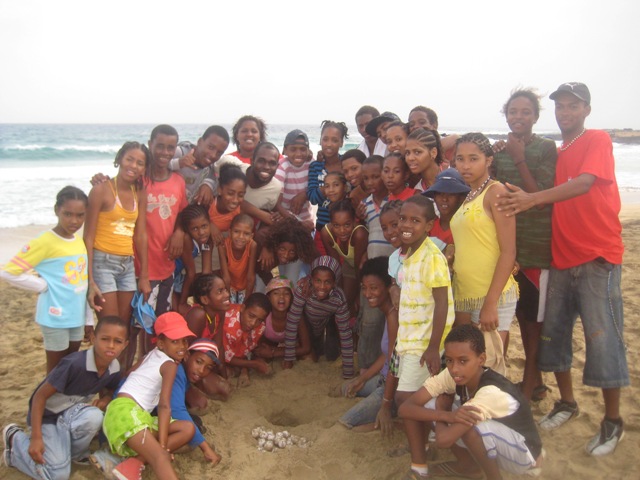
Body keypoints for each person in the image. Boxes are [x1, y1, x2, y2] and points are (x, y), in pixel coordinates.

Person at [496, 82, 628, 455]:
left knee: (603, 338)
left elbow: (584, 183)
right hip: (560, 257)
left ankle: (612, 421)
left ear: (587, 109)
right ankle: (567, 402)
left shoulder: (597, 139)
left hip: (597, 255)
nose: (566, 112)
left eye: (573, 106)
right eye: (561, 106)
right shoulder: (559, 150)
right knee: (554, 336)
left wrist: (532, 198)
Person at [398, 324, 543, 479]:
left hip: (524, 456)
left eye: (463, 361)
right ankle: (468, 466)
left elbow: (443, 440)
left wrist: (443, 411)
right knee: (432, 406)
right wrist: (445, 415)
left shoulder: (490, 392)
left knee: (470, 425)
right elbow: (405, 408)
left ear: (481, 359)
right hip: (500, 442)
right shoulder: (455, 374)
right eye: (449, 360)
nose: (454, 368)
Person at [2, 316, 128, 480]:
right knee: (58, 475)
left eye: (118, 341)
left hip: (70, 414)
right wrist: (36, 437)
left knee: (95, 416)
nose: (111, 345)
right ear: (93, 338)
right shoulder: (74, 364)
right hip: (47, 417)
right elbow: (39, 397)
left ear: (125, 345)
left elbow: (111, 388)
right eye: (105, 339)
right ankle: (15, 440)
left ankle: (75, 454)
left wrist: (106, 398)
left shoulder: (114, 367)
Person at [492, 88, 557, 401]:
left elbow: (539, 198)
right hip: (507, 251)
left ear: (536, 116)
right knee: (512, 318)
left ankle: (530, 388)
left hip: (534, 251)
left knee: (532, 325)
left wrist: (519, 158)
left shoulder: (546, 148)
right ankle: (537, 384)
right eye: (513, 111)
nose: (518, 117)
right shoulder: (500, 149)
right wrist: (498, 153)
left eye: (525, 112)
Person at [0, 186, 92, 373]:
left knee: (69, 365)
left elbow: (83, 284)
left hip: (76, 316)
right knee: (56, 370)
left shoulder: (78, 240)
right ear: (57, 210)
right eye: (68, 214)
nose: (74, 221)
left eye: (80, 215)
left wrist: (88, 319)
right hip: (54, 317)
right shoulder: (44, 241)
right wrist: (42, 285)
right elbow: (9, 272)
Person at [102, 312, 196, 480]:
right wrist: (162, 447)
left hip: (124, 412)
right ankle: (149, 456)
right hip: (127, 414)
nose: (182, 346)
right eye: (175, 341)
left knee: (187, 428)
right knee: (160, 457)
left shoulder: (151, 354)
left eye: (184, 341)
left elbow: (129, 373)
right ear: (160, 343)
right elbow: (164, 406)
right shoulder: (170, 365)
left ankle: (132, 465)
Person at [450, 133, 518, 347]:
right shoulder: (469, 195)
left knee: (487, 361)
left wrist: (490, 303)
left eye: (473, 159)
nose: (465, 165)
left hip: (491, 295)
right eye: (460, 159)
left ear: (488, 160)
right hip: (464, 294)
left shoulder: (496, 192)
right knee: (466, 360)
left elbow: (509, 251)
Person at [83, 141, 151, 334]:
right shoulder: (101, 190)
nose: (133, 166)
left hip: (127, 265)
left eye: (140, 163)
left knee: (122, 328)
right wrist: (90, 280)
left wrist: (144, 276)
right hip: (102, 263)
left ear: (144, 168)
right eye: (129, 159)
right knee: (109, 327)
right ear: (120, 159)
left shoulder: (140, 192)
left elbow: (141, 235)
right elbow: (88, 237)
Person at [395, 196, 454, 409]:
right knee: (411, 397)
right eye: (403, 218)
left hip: (424, 342)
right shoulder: (412, 252)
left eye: (415, 220)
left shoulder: (432, 257)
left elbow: (442, 303)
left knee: (404, 399)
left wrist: (433, 347)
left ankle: (439, 423)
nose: (406, 225)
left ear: (429, 225)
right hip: (410, 339)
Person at [338, 257, 399, 432]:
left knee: (345, 424)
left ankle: (398, 421)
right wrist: (362, 379)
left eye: (373, 288)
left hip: (391, 389)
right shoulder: (388, 313)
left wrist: (386, 404)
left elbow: (395, 365)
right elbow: (386, 355)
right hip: (382, 379)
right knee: (345, 388)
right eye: (364, 288)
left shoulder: (394, 317)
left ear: (388, 287)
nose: (367, 294)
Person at [283, 256, 354, 379]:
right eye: (318, 281)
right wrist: (288, 359)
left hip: (326, 323)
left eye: (327, 282)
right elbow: (292, 322)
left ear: (335, 282)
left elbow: (345, 333)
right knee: (311, 356)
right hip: (306, 324)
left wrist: (348, 372)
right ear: (311, 279)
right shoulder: (303, 290)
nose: (322, 286)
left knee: (331, 355)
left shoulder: (339, 298)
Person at [169, 338, 227, 466]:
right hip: (139, 413)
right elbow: (176, 411)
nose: (201, 370)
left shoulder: (181, 370)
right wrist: (206, 448)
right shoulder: (176, 371)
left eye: (208, 368)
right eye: (199, 362)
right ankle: (155, 449)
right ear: (187, 356)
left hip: (154, 409)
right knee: (190, 437)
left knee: (196, 423)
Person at [307, 121, 349, 254]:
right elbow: (312, 198)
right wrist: (329, 187)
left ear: (341, 143)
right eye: (325, 139)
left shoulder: (347, 164)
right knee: (323, 263)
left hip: (346, 228)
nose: (329, 144)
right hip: (323, 226)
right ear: (320, 140)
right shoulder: (315, 166)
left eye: (334, 140)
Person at [321, 199, 369, 317]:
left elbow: (359, 267)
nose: (342, 231)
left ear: (354, 221)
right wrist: (341, 294)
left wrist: (358, 295)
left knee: (358, 304)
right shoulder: (326, 233)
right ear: (331, 223)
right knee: (343, 303)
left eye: (347, 225)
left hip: (365, 269)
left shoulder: (359, 234)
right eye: (336, 225)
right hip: (348, 265)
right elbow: (336, 266)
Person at [254, 277, 311, 361]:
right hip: (270, 344)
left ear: (291, 298)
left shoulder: (296, 315)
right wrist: (266, 351)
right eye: (276, 293)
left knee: (309, 358)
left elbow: (306, 348)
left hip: (292, 346)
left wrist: (274, 352)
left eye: (286, 293)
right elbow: (256, 346)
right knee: (259, 359)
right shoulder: (264, 316)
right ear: (268, 297)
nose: (281, 297)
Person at [171, 125, 230, 205]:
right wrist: (178, 163)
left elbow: (215, 180)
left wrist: (208, 184)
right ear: (199, 142)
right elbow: (156, 164)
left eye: (219, 153)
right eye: (211, 147)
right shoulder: (178, 153)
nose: (213, 155)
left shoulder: (210, 168)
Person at [222, 292, 272, 387]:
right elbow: (225, 357)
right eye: (251, 316)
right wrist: (255, 364)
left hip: (233, 354)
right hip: (214, 352)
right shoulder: (229, 327)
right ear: (242, 308)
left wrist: (245, 369)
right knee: (227, 371)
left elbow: (244, 351)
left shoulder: (260, 326)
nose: (253, 323)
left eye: (259, 320)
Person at [172, 204, 213, 316]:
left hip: (177, 276)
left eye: (204, 226)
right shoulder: (187, 240)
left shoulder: (208, 240)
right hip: (167, 276)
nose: (201, 232)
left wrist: (206, 300)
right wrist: (182, 303)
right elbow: (191, 273)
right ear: (187, 229)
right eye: (195, 229)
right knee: (176, 312)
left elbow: (206, 272)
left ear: (210, 223)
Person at [274, 128, 314, 230]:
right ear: (285, 150)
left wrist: (305, 194)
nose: (298, 154)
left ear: (308, 150)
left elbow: (319, 187)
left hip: (307, 219)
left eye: (303, 149)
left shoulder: (311, 164)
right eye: (293, 149)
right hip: (286, 219)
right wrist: (298, 223)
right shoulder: (282, 167)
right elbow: (276, 204)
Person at [263, 217, 319, 283]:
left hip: (295, 262)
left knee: (291, 283)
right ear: (275, 244)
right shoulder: (268, 245)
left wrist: (309, 278)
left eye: (292, 252)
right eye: (282, 249)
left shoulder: (302, 249)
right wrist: (265, 248)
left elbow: (319, 261)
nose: (286, 255)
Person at [422, 168, 470, 246]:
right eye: (439, 193)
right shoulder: (428, 227)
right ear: (434, 197)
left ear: (461, 197)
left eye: (451, 194)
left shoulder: (468, 228)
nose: (444, 199)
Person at [218, 213, 258, 304]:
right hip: (229, 286)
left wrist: (246, 302)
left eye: (246, 234)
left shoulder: (252, 246)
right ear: (230, 232)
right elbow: (225, 277)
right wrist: (227, 298)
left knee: (244, 308)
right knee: (229, 307)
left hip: (246, 287)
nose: (241, 237)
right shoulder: (223, 245)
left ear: (251, 236)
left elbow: (251, 277)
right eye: (236, 231)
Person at [185, 274, 230, 353]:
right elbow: (188, 350)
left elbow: (218, 347)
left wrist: (218, 362)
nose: (227, 294)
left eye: (225, 290)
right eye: (220, 291)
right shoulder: (198, 315)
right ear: (205, 299)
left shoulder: (220, 312)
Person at [208, 163, 247, 246]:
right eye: (230, 193)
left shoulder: (241, 207)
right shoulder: (208, 203)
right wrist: (209, 224)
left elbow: (266, 217)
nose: (235, 200)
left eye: (240, 195)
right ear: (220, 189)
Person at [405, 128, 444, 192]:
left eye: (417, 152)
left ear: (433, 153)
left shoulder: (454, 178)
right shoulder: (418, 190)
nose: (410, 158)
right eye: (407, 153)